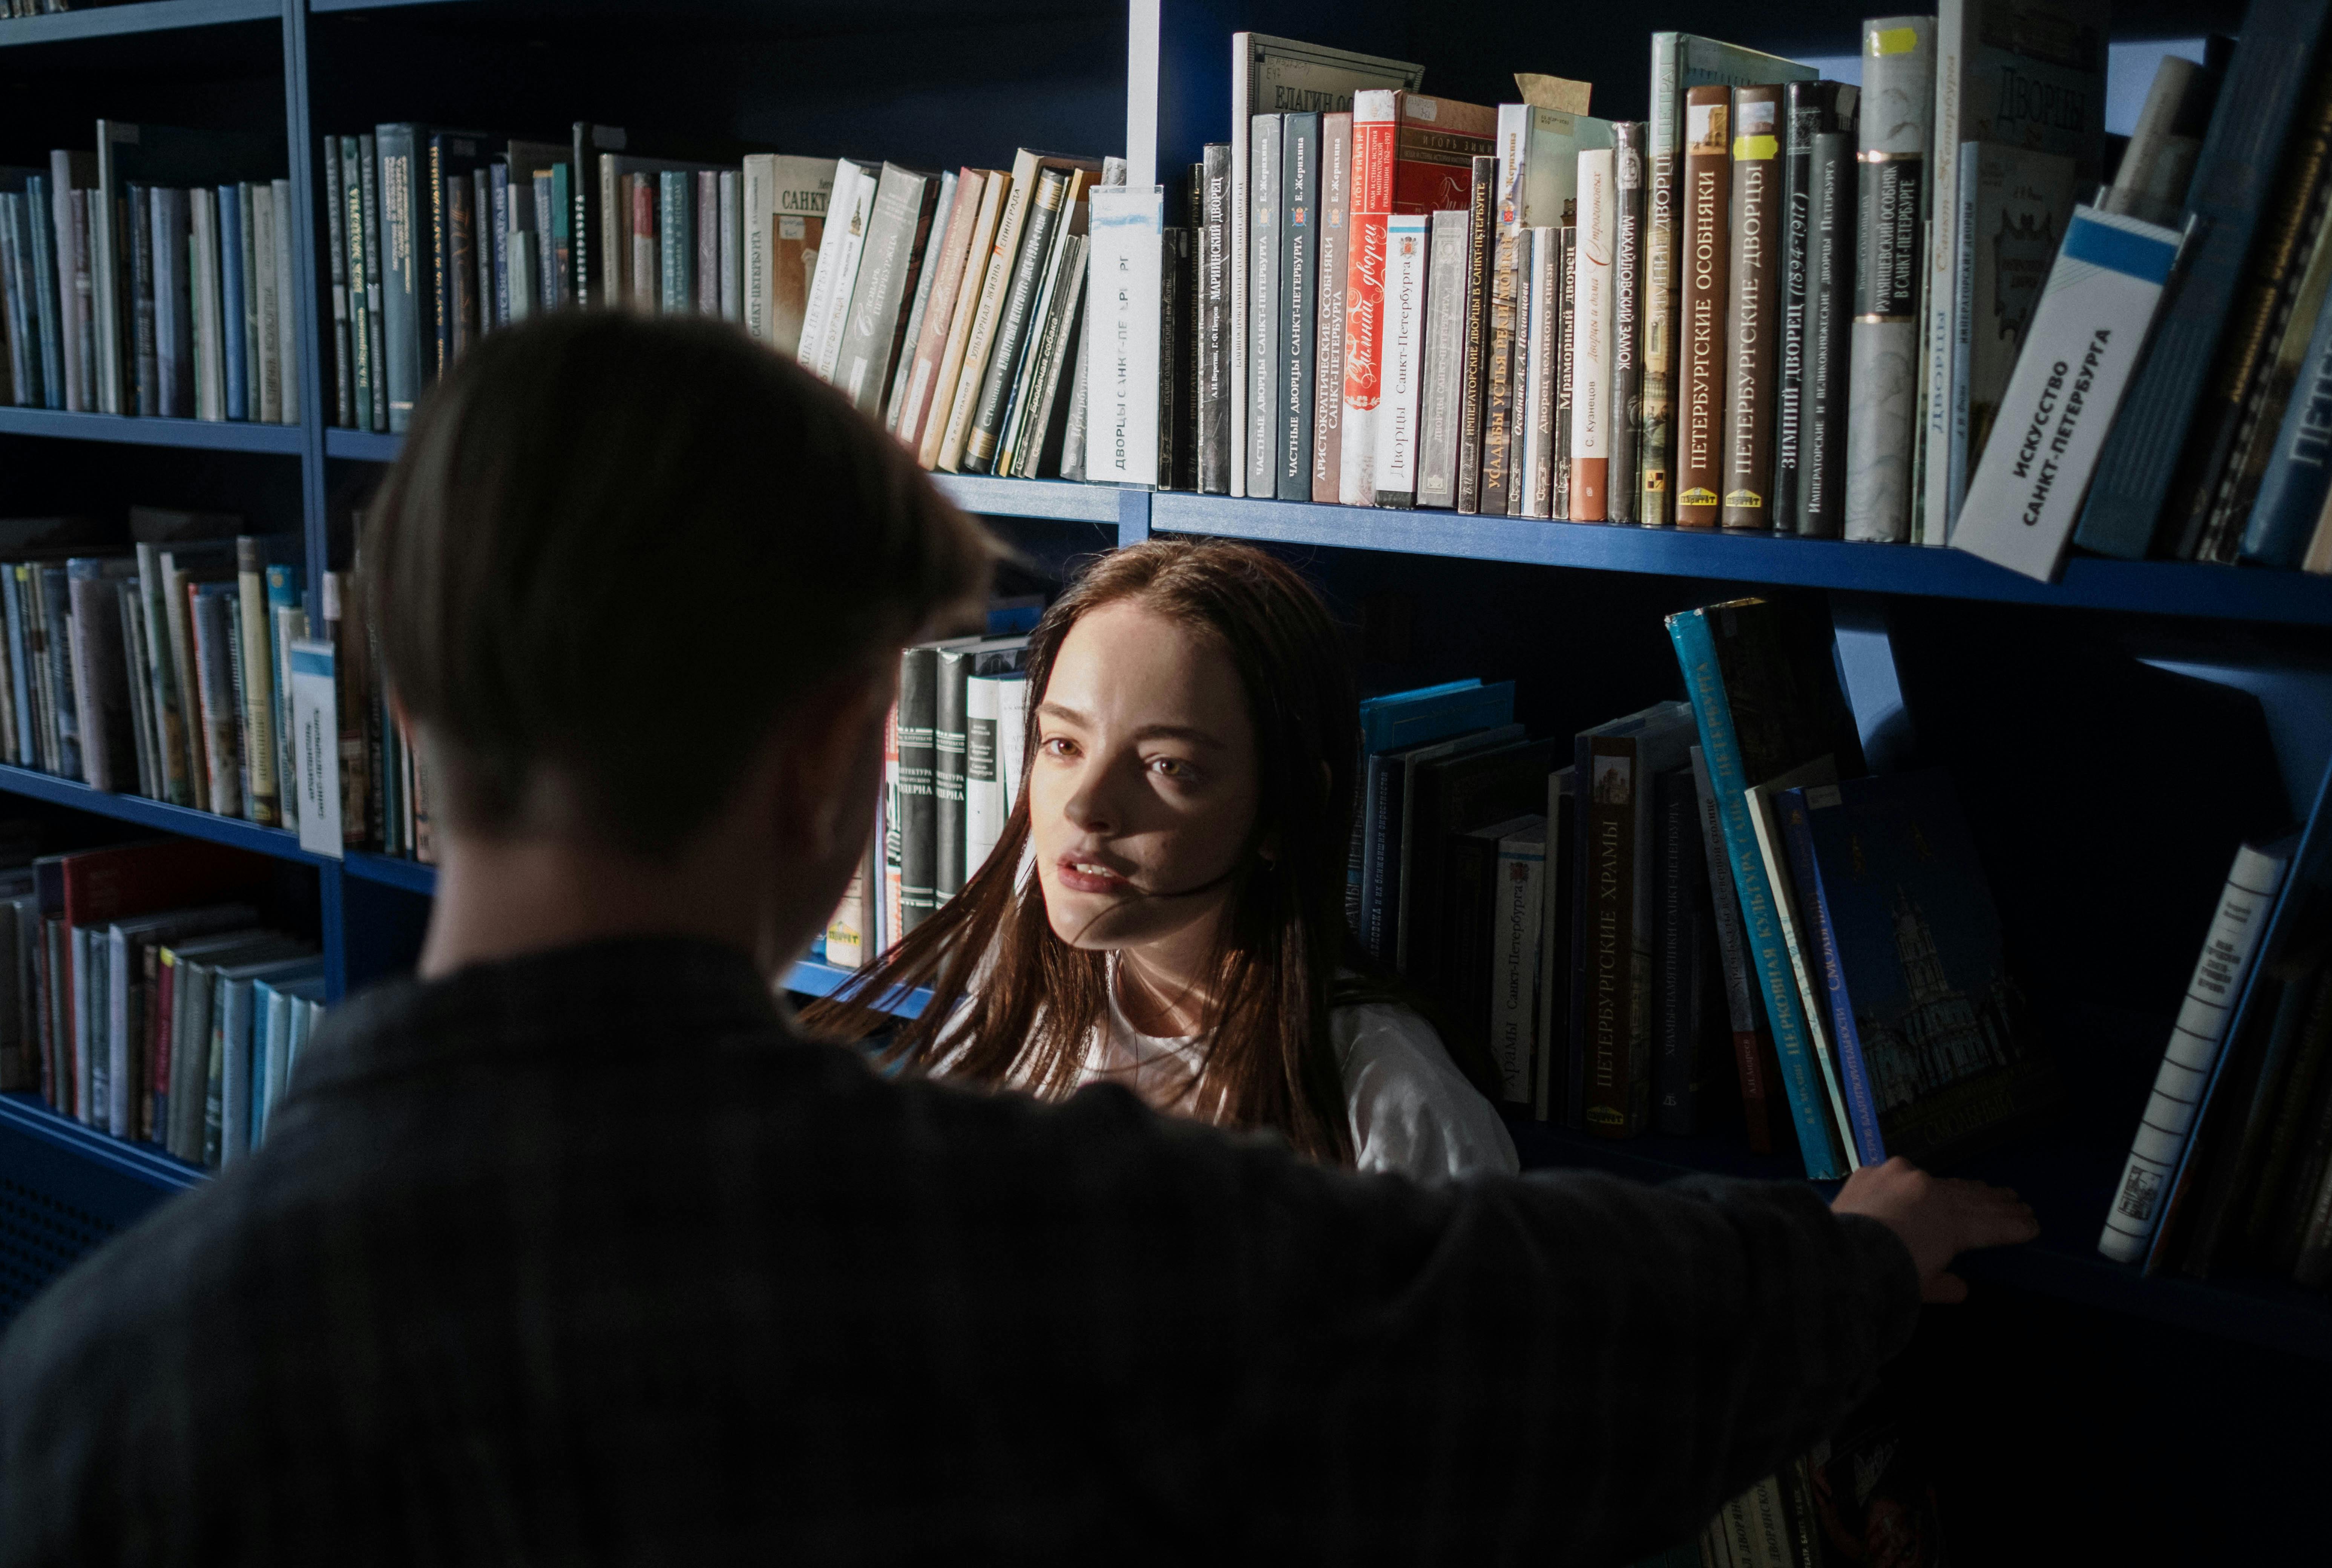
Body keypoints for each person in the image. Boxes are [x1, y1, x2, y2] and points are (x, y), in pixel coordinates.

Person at [0, 312, 2036, 1566]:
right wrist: (1860, 1253)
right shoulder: (1056, 1247)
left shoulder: (87, 1398)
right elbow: (1541, 1337)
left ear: (399, 703)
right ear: (841, 754)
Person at [810, 537, 1516, 1181]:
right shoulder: (1010, 1034)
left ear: (1286, 807)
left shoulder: (1389, 1105)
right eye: (1063, 745)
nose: (1085, 808)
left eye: (1166, 765)